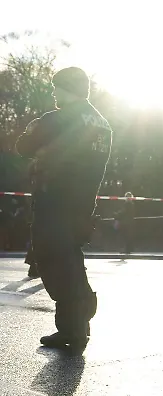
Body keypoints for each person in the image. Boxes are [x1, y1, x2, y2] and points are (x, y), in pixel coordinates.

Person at [15, 67, 111, 352]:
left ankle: (76, 323)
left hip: (54, 200)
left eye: (57, 87)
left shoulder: (57, 119)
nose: (54, 93)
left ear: (69, 89)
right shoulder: (102, 122)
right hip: (83, 204)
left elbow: (23, 147)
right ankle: (74, 324)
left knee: (53, 259)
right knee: (70, 257)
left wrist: (35, 131)